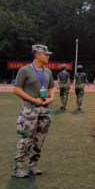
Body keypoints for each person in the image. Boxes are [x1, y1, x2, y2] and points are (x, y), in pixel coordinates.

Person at [11, 45, 56, 178]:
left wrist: (51, 98)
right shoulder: (25, 70)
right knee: (27, 138)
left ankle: (33, 165)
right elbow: (16, 89)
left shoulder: (47, 71)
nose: (48, 57)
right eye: (45, 54)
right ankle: (18, 167)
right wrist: (33, 100)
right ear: (37, 55)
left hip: (44, 108)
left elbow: (51, 87)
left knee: (40, 138)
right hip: (30, 108)